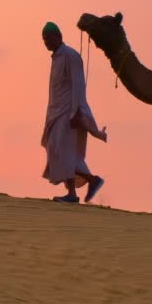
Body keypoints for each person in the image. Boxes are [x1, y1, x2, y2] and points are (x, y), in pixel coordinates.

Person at [40, 21, 107, 204]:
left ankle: (72, 194)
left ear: (59, 37)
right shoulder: (56, 58)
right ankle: (92, 181)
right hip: (55, 113)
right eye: (44, 39)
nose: (46, 42)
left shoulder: (71, 56)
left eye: (49, 38)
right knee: (55, 149)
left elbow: (78, 86)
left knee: (64, 152)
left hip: (69, 114)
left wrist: (77, 113)